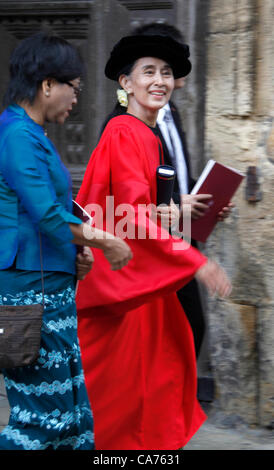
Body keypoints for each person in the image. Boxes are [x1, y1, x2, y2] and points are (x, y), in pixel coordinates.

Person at [75, 34, 231, 450]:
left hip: (135, 281)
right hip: (125, 286)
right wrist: (195, 261)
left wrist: (174, 213)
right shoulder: (127, 132)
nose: (160, 80)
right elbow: (132, 216)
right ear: (125, 83)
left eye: (166, 72)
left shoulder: (144, 134)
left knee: (145, 395)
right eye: (149, 72)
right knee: (131, 404)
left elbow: (134, 209)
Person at [0, 32, 132, 451]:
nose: (76, 99)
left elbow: (59, 210)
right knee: (43, 420)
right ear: (46, 86)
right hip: (29, 293)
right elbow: (47, 214)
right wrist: (106, 242)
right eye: (73, 88)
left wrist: (78, 250)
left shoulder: (32, 135)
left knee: (73, 419)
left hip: (49, 290)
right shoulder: (16, 135)